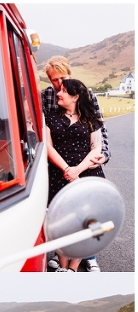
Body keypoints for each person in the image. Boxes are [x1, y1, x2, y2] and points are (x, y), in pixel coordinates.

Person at [42, 56, 109, 272]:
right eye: (54, 80)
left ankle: (89, 256)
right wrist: (66, 170)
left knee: (88, 216)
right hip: (59, 169)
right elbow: (46, 140)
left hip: (85, 168)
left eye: (62, 79)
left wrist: (102, 155)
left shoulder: (86, 96)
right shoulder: (47, 99)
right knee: (62, 218)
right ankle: (62, 259)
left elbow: (99, 135)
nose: (59, 85)